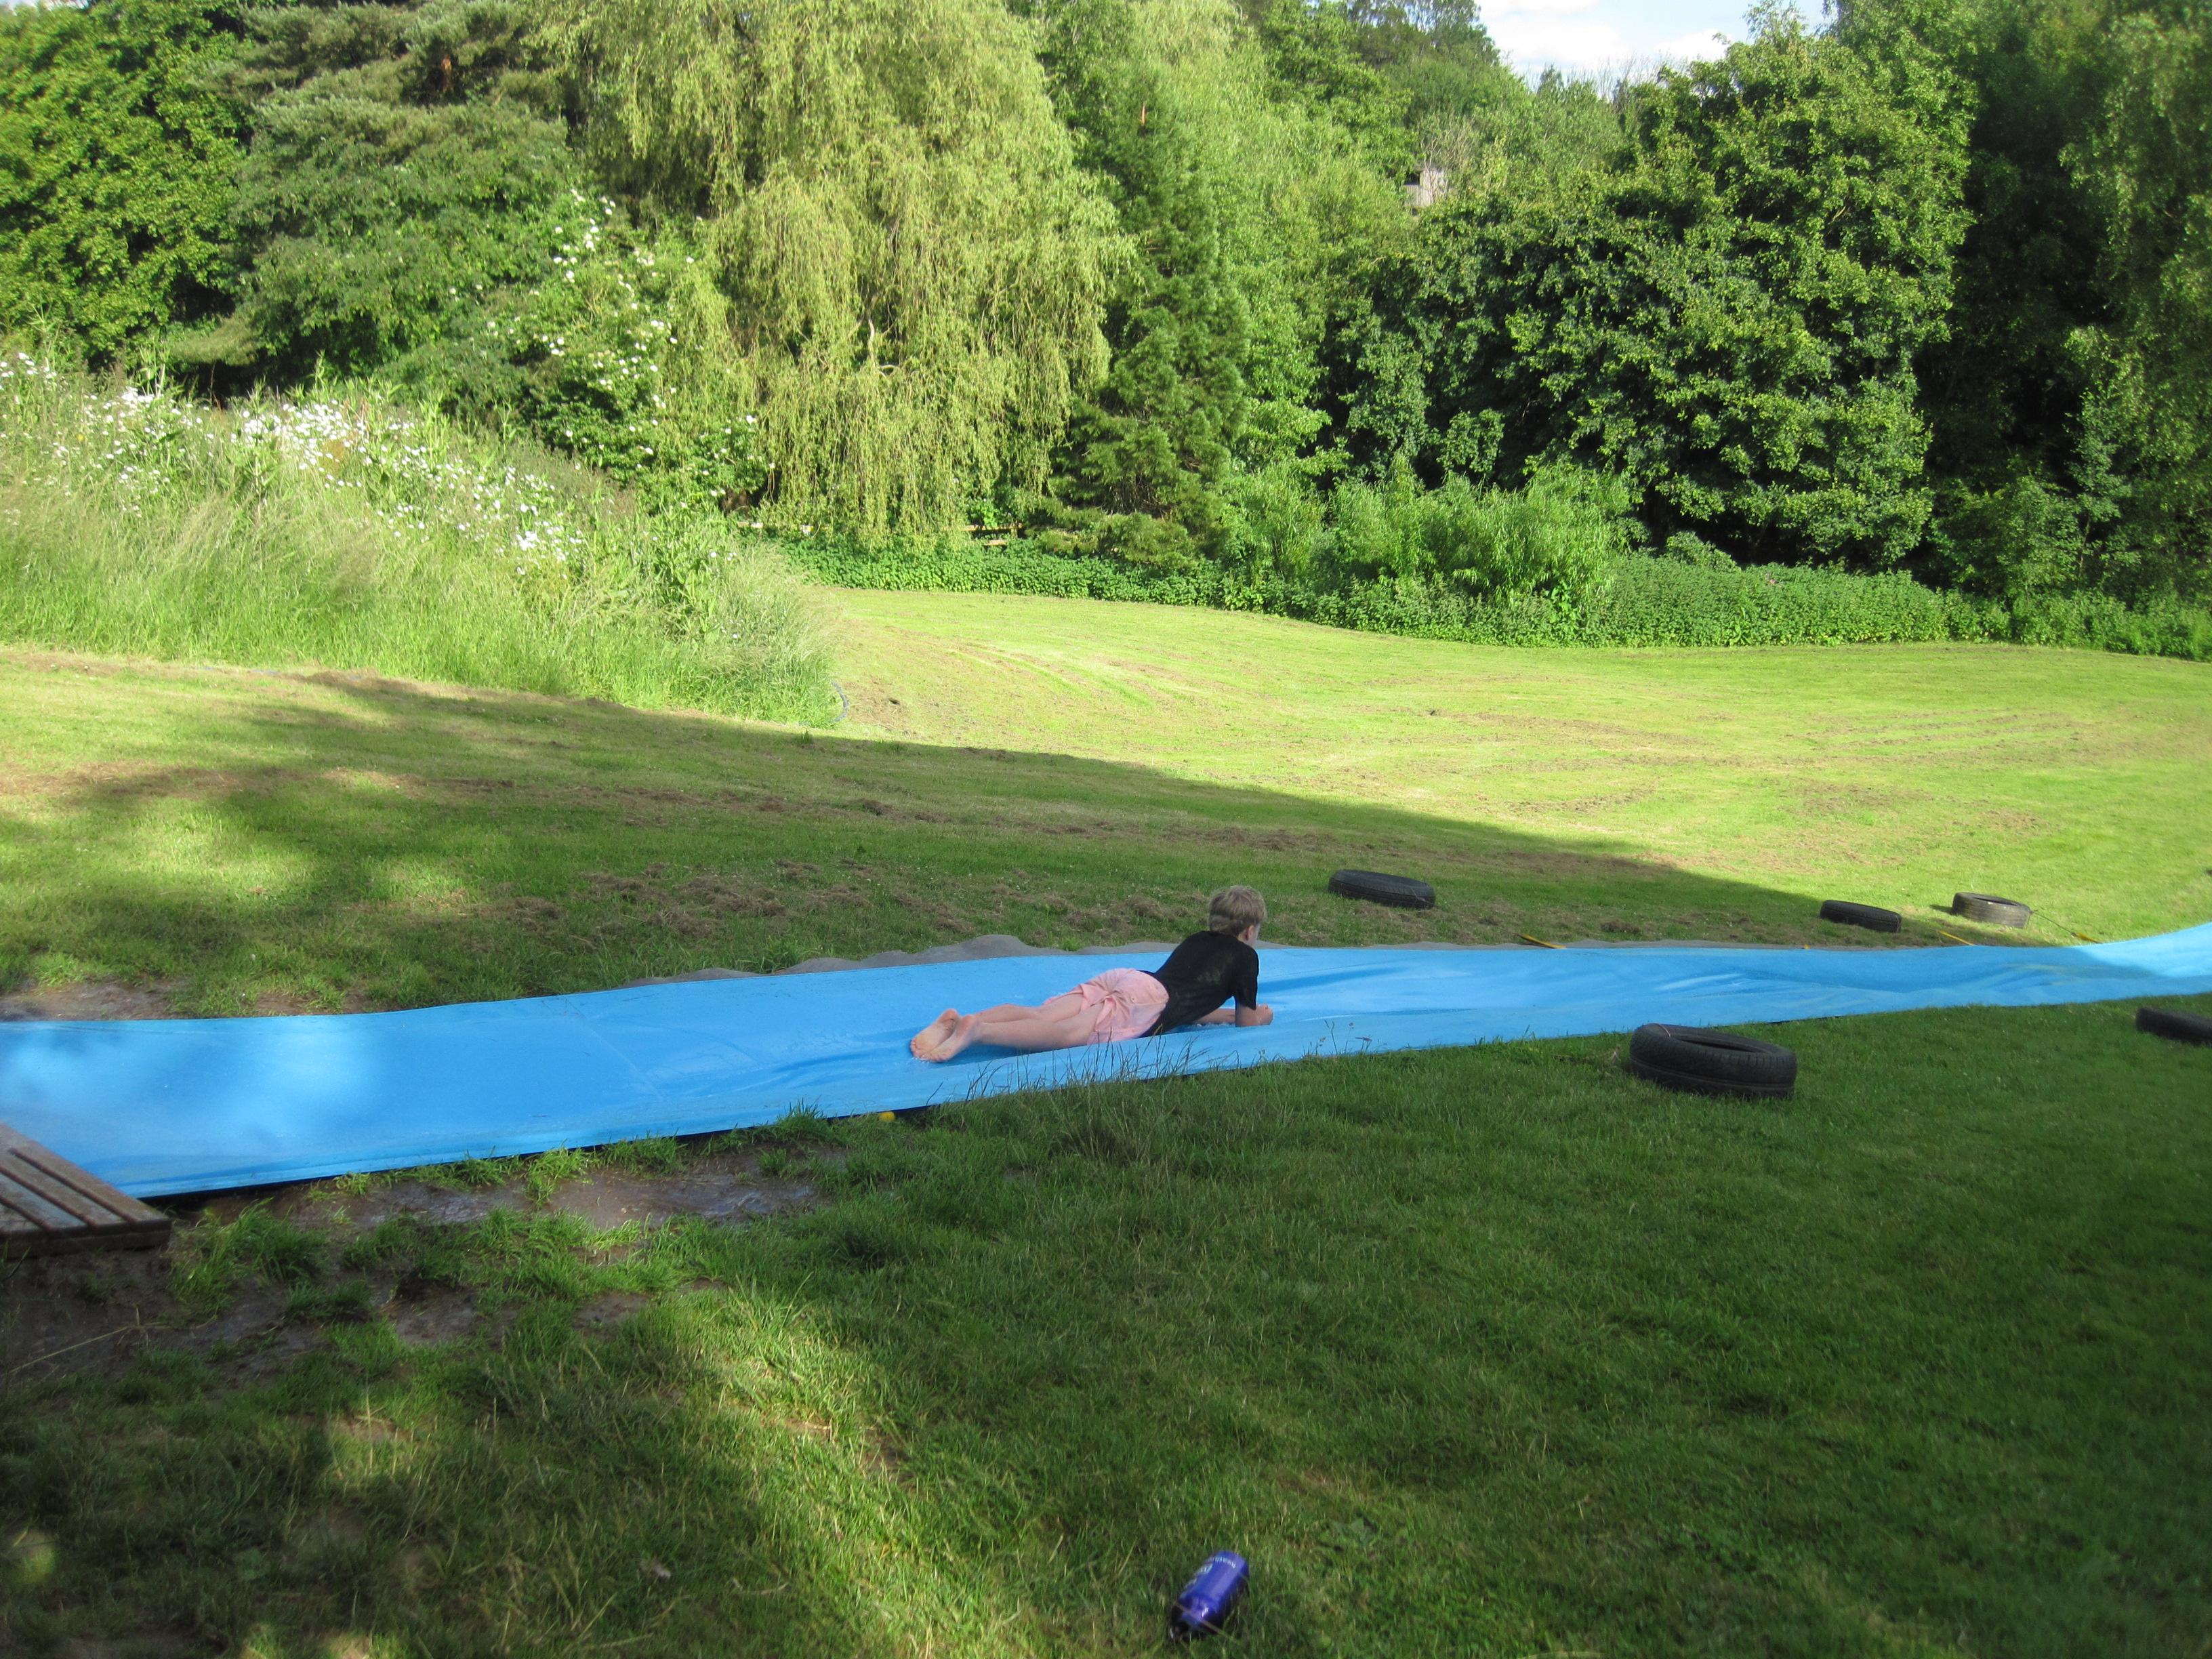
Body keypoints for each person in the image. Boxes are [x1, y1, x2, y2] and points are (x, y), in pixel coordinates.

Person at [910, 886, 1275, 1062]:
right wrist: (1260, 1018)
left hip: (1128, 979)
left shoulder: (1198, 939)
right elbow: (1246, 1023)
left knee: (1043, 1014)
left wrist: (1222, 1015)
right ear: (1249, 931)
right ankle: (980, 1031)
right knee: (1066, 1035)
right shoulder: (1245, 957)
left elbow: (1190, 1001)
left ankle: (961, 1021)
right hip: (1145, 1000)